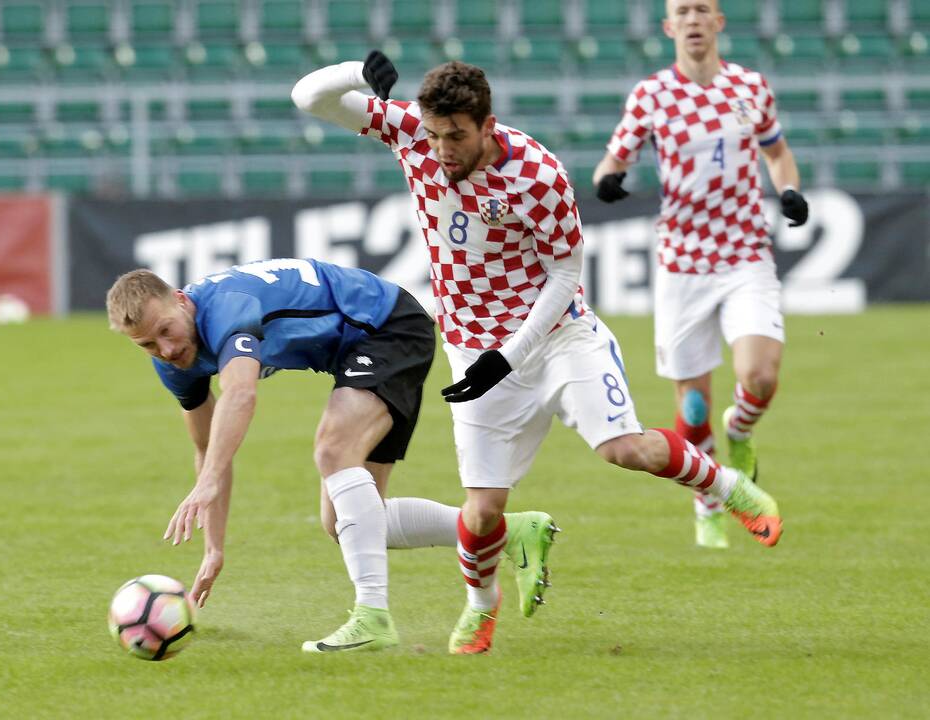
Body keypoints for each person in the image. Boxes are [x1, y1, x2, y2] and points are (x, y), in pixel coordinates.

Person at [291, 51, 784, 655]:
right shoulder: (412, 133)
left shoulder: (537, 174)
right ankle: (481, 605)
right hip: (473, 348)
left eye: (457, 136)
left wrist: (514, 352)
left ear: (487, 125)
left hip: (557, 338)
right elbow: (308, 98)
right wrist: (355, 72)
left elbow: (565, 271)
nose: (443, 149)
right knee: (481, 513)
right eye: (436, 133)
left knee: (624, 449)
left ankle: (726, 485)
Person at [105, 257, 554, 654]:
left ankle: (372, 619)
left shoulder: (226, 308)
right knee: (345, 523)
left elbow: (239, 394)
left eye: (165, 331)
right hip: (356, 351)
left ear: (182, 301)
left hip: (387, 326)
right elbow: (208, 448)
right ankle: (500, 530)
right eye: (147, 344)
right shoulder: (173, 363)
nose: (165, 349)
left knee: (333, 448)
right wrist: (214, 548)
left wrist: (206, 485)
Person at [592, 0, 809, 549]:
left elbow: (778, 152)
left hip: (744, 253)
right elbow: (611, 161)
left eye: (701, 9)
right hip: (682, 263)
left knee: (760, 375)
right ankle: (709, 500)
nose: (692, 19)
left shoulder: (749, 88)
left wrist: (788, 189)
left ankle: (740, 430)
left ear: (718, 23)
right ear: (669, 28)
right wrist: (609, 181)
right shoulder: (652, 95)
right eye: (682, 11)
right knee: (691, 410)